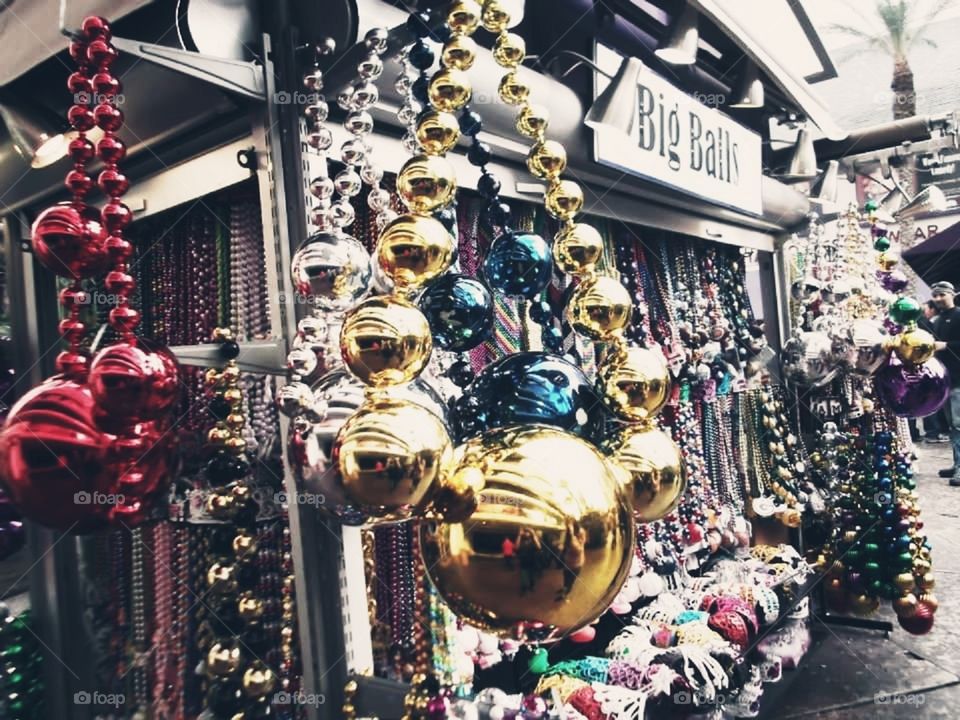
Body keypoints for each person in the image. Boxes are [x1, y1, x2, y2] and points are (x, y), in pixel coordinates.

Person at [931, 282, 960, 484]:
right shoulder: (937, 320)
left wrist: (945, 345)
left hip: (959, 379)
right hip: (945, 379)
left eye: (942, 294)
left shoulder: (959, 315)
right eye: (935, 295)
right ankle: (957, 463)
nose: (939, 298)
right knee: (952, 425)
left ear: (952, 294)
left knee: (959, 424)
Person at [919, 301, 949, 442]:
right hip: (937, 367)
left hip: (932, 366)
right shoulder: (934, 322)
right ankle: (937, 431)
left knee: (930, 399)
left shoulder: (927, 323)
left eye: (926, 309)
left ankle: (934, 431)